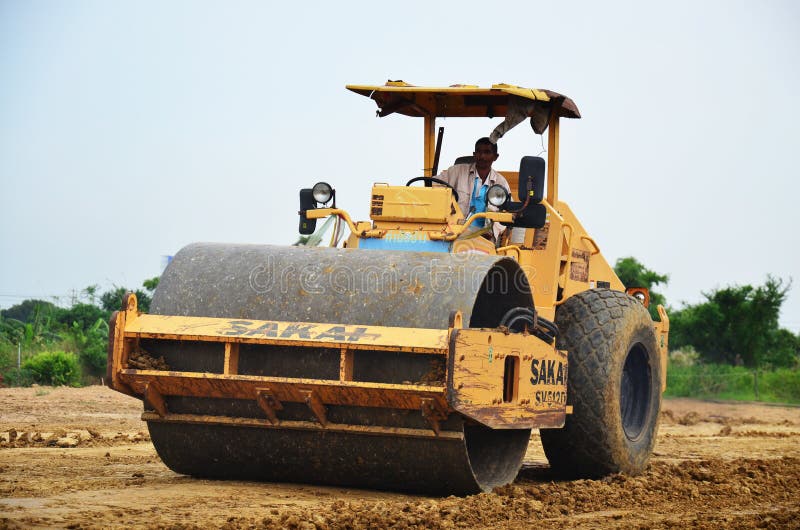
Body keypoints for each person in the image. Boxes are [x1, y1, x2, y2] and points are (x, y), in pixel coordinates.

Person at [436, 137, 511, 241]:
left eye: (487, 152)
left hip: (484, 239)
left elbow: (506, 214)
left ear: (495, 157)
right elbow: (433, 185)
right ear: (474, 154)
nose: (482, 156)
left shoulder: (501, 183)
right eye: (479, 152)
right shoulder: (456, 171)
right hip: (453, 233)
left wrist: (492, 232)